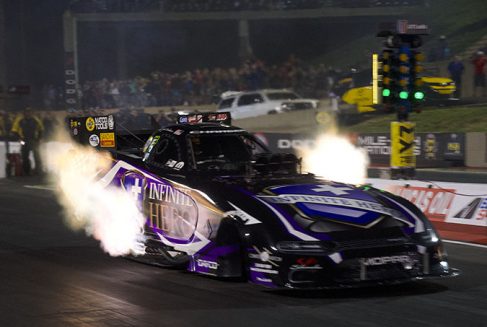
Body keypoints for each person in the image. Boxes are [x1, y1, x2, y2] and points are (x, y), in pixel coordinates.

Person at [11, 108, 44, 175]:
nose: (28, 113)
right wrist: (19, 139)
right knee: (24, 156)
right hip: (23, 140)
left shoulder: (35, 120)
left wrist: (39, 138)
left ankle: (38, 170)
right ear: (24, 113)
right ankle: (26, 171)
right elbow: (14, 130)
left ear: (31, 113)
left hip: (34, 140)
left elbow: (41, 129)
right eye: (26, 112)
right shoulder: (19, 120)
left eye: (29, 112)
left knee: (37, 155)